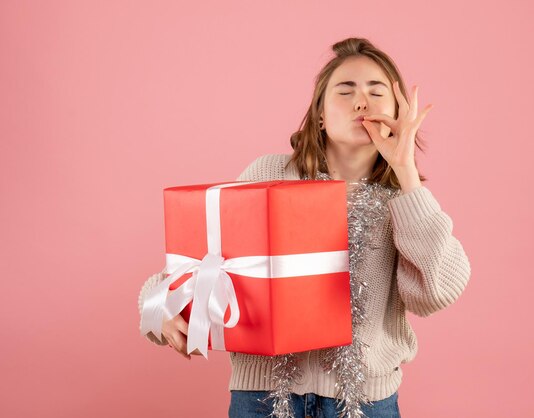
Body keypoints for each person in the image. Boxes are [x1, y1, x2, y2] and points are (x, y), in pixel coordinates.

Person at [138, 37, 471, 418]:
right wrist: (159, 307)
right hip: (263, 399)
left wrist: (406, 173)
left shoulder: (404, 197)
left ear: (398, 112)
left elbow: (439, 290)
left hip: (364, 403)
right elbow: (202, 265)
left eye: (376, 91)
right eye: (345, 91)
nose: (361, 101)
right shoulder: (268, 174)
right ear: (320, 115)